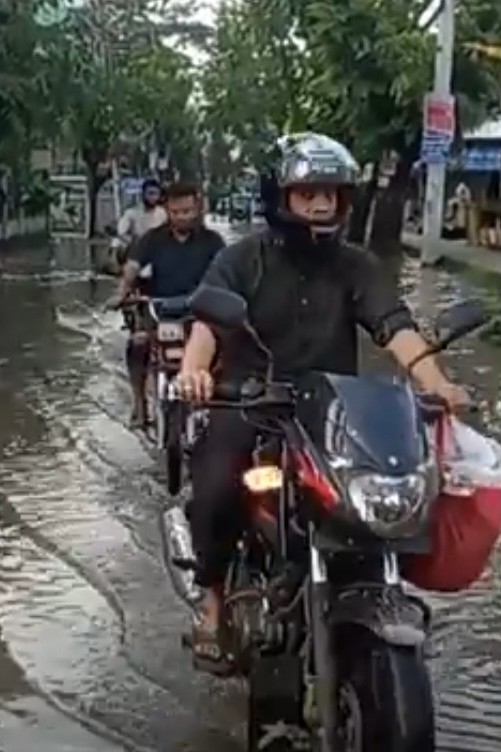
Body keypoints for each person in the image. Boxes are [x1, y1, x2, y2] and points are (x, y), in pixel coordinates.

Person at [175, 132, 469, 671]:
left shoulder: (355, 265)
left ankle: (373, 588)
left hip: (332, 412)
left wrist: (437, 382)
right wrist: (194, 371)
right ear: (281, 197)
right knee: (217, 486)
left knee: (391, 491)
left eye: (332, 193)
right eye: (308, 192)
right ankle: (213, 600)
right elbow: (208, 326)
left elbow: (393, 327)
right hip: (250, 402)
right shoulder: (244, 259)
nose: (322, 203)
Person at [116, 181, 225, 428]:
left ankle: (218, 406)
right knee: (138, 344)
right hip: (159, 311)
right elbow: (132, 266)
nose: (182, 217)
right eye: (176, 212)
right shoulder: (152, 239)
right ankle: (140, 405)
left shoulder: (212, 241)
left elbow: (227, 274)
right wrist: (122, 293)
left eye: (187, 211)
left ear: (197, 209)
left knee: (227, 348)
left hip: (201, 314)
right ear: (167, 211)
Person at [115, 177, 166, 256]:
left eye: (156, 194)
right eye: (150, 193)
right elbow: (121, 232)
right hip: (136, 253)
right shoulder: (131, 213)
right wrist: (135, 243)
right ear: (143, 194)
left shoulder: (162, 213)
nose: (153, 198)